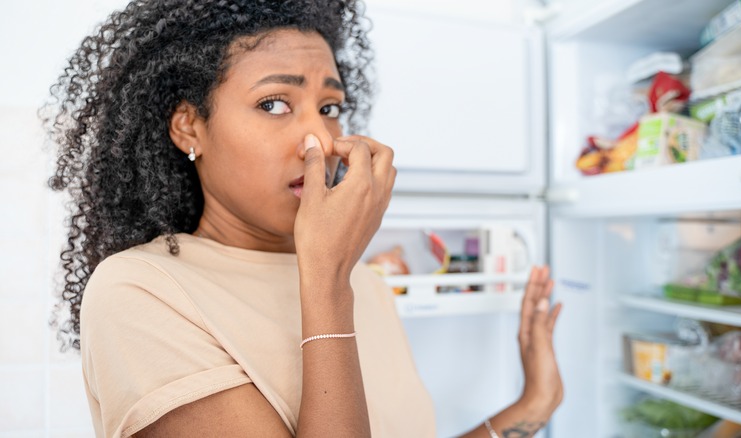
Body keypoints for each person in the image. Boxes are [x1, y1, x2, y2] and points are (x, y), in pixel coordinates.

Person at [44, 0, 563, 436]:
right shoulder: (141, 291)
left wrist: (532, 406)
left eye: (331, 105)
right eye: (273, 104)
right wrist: (327, 278)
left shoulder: (365, 283)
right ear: (188, 127)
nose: (321, 139)